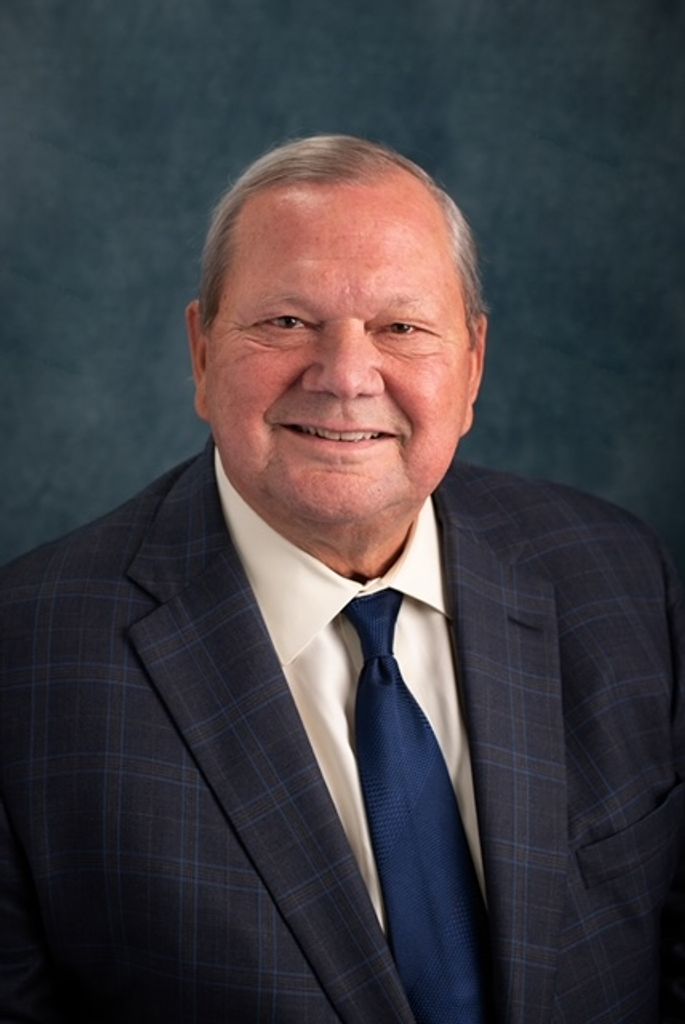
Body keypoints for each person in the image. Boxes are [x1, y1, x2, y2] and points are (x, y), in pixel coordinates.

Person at [0, 135, 683, 1024]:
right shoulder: (26, 661)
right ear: (202, 353)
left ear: (471, 366)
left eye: (401, 327)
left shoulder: (618, 577)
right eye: (286, 322)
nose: (346, 377)